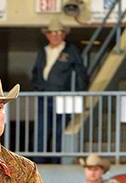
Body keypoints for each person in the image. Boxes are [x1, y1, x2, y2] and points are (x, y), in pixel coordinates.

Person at [31, 19, 88, 162]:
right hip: (44, 96)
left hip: (64, 97)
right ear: (47, 35)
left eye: (59, 32)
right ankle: (38, 161)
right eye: (52, 32)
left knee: (59, 131)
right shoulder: (43, 51)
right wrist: (38, 87)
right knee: (41, 130)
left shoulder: (71, 50)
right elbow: (36, 72)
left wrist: (81, 94)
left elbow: (81, 73)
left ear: (63, 34)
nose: (55, 35)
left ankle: (56, 160)